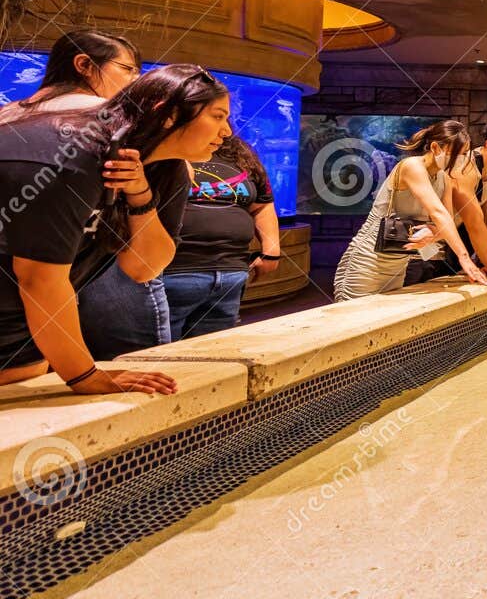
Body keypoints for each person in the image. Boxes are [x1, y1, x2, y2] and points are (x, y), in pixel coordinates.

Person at [0, 64, 233, 393]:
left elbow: (144, 267)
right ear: (166, 112)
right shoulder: (73, 153)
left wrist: (140, 196)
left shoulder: (166, 169)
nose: (227, 132)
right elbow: (38, 280)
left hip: (25, 350)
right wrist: (85, 376)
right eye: (218, 116)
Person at [333, 120, 487, 300]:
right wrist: (464, 257)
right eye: (457, 154)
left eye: (464, 154)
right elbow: (438, 213)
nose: (462, 160)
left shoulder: (444, 178)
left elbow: (446, 222)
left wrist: (433, 231)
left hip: (398, 265)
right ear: (435, 147)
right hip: (368, 261)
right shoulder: (412, 166)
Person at [161, 135, 281, 339]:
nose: (223, 128)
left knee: (212, 354)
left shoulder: (241, 155)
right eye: (215, 116)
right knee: (160, 355)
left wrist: (271, 252)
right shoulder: (164, 150)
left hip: (230, 273)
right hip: (173, 272)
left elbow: (262, 204)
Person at [406, 116, 487, 291]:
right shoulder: (465, 166)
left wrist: (483, 261)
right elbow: (474, 222)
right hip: (426, 245)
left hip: (449, 245)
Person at [0, 29, 141, 121]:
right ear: (84, 64)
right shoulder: (107, 113)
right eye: (128, 69)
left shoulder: (8, 111)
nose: (136, 78)